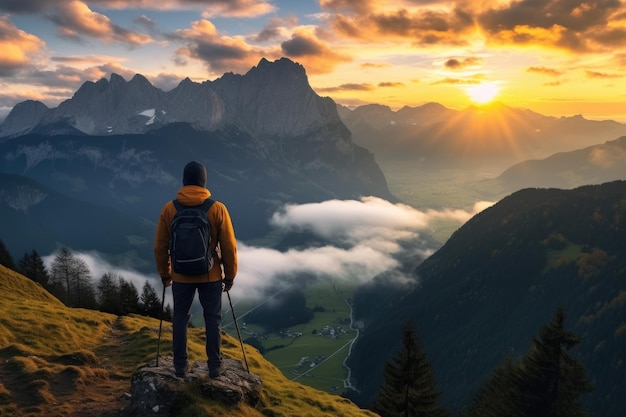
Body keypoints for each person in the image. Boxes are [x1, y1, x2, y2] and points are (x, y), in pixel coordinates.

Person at [154, 160, 238, 378]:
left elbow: (160, 246)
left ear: (184, 181)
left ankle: (180, 366)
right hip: (210, 275)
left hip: (181, 275)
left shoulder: (169, 209)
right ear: (204, 181)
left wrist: (165, 274)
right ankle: (215, 367)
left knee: (180, 318)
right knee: (213, 319)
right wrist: (229, 276)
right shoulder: (217, 209)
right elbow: (229, 247)